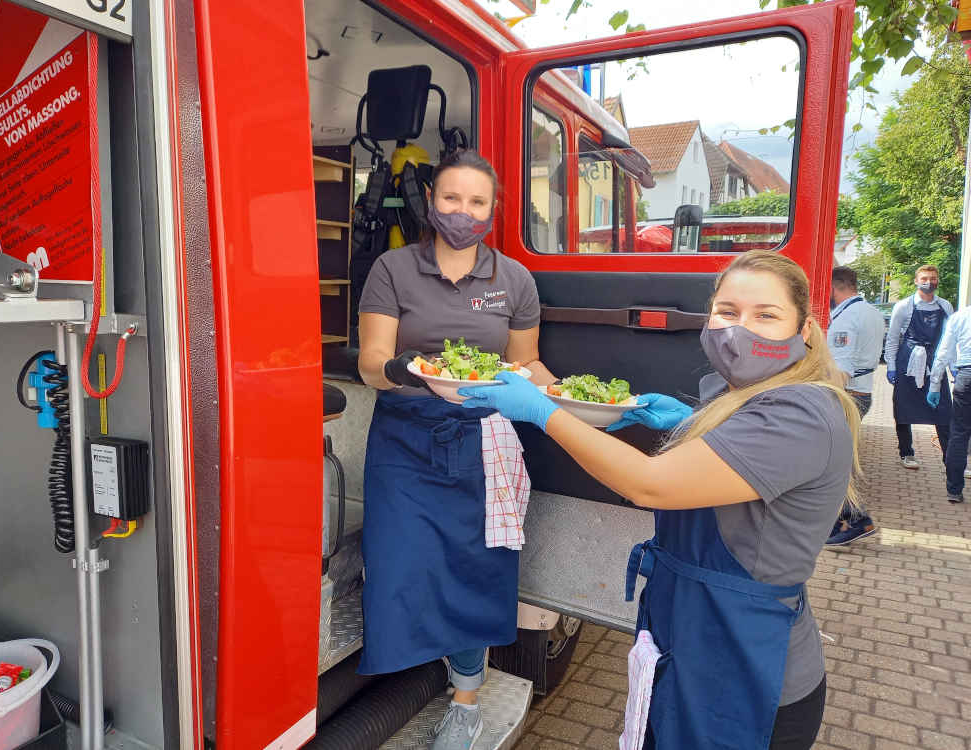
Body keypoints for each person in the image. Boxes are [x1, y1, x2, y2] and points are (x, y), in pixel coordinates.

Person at [459, 250, 860, 750]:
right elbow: (734, 455)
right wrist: (687, 422)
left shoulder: (799, 411)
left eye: (767, 315)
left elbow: (650, 483)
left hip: (746, 672)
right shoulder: (743, 394)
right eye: (728, 312)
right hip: (693, 642)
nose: (742, 329)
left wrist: (540, 410)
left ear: (803, 331)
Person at [356, 148, 555, 750]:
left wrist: (570, 398)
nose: (462, 212)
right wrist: (416, 373)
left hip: (483, 439)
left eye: (476, 202)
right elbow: (370, 365)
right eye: (450, 198)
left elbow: (526, 364)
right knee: (398, 559)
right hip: (404, 436)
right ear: (431, 204)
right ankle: (422, 660)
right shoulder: (392, 269)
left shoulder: (514, 279)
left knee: (476, 567)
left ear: (492, 211)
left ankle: (466, 699)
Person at [825, 266, 885, 546]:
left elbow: (842, 369)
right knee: (837, 460)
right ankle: (841, 520)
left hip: (846, 395)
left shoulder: (845, 320)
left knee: (832, 462)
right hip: (862, 394)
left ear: (835, 288)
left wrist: (823, 401)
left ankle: (857, 519)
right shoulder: (872, 313)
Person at [884, 265, 953, 469]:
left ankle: (950, 457)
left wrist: (953, 365)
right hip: (909, 362)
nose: (929, 282)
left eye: (933, 278)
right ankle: (906, 453)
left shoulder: (945, 307)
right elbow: (893, 338)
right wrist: (891, 365)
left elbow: (951, 339)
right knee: (903, 408)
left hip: (935, 363)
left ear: (937, 281)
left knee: (943, 411)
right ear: (916, 281)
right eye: (924, 278)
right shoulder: (904, 307)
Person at [927, 302, 971, 503]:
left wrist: (934, 386)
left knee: (959, 433)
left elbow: (943, 354)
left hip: (966, 376)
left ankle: (954, 489)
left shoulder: (959, 317)